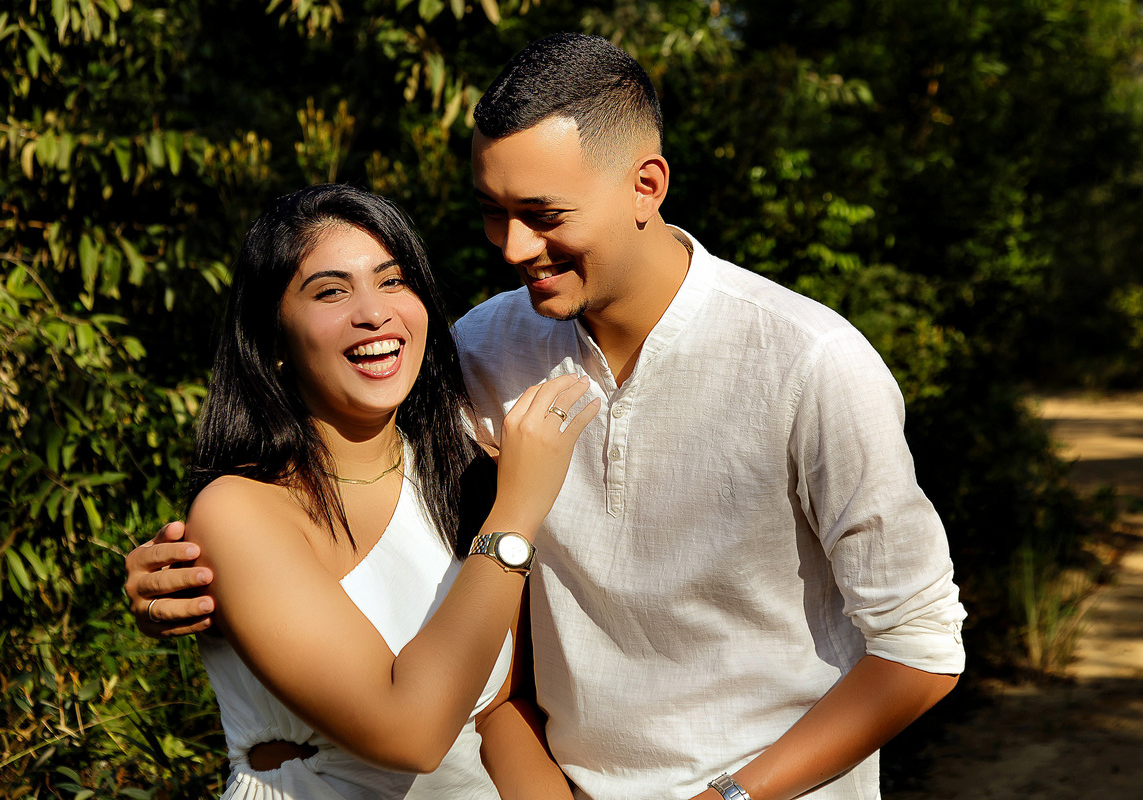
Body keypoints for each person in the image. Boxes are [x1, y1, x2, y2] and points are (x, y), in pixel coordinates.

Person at [126, 34, 966, 800]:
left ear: (647, 185)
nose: (512, 247)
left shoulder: (809, 361)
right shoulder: (483, 347)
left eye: (543, 215)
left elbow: (920, 647)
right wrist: (182, 575)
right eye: (493, 211)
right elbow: (352, 496)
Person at [158, 182, 597, 798]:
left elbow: (499, 711)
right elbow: (409, 732)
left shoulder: (462, 474)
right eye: (332, 291)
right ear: (273, 338)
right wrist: (518, 512)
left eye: (392, 281)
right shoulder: (239, 510)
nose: (375, 311)